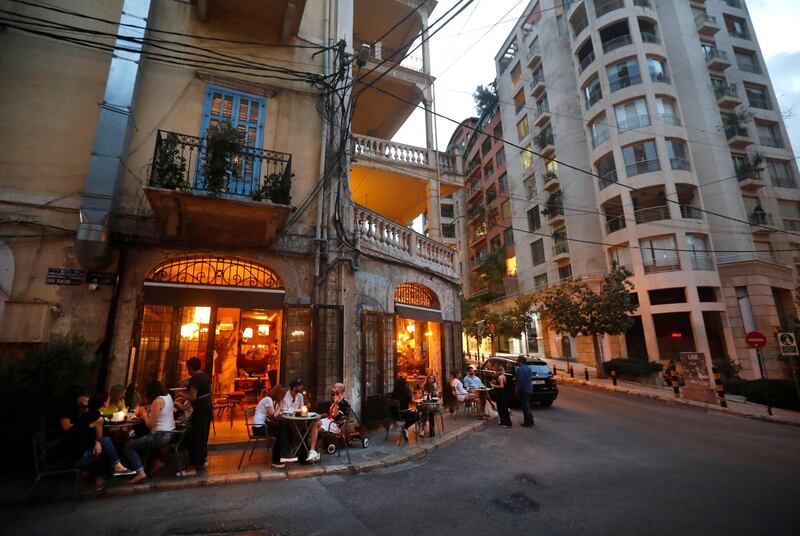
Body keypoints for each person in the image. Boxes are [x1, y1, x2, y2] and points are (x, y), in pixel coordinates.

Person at [72, 392, 135, 491]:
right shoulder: (99, 418)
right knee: (105, 443)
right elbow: (100, 437)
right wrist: (97, 441)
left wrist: (97, 441)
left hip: (73, 452)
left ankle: (102, 474)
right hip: (79, 457)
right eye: (107, 400)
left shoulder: (87, 414)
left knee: (104, 443)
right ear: (104, 402)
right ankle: (112, 469)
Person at [124, 380, 176, 484]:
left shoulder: (157, 401)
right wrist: (149, 410)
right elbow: (162, 412)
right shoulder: (168, 397)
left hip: (160, 436)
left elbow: (150, 425)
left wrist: (143, 414)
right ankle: (157, 461)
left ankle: (140, 472)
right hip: (171, 433)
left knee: (128, 446)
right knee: (141, 437)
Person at [175, 357, 213, 477]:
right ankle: (203, 459)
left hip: (200, 409)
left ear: (190, 367)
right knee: (203, 434)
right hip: (208, 406)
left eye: (187, 368)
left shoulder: (195, 379)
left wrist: (182, 395)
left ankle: (193, 466)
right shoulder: (206, 376)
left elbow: (193, 397)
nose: (187, 371)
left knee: (196, 435)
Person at [281, 378, 321, 463]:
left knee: (304, 428)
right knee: (297, 428)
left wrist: (302, 411)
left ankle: (303, 455)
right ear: (294, 387)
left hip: (297, 419)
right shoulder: (285, 396)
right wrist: (296, 410)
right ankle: (293, 452)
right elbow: (284, 410)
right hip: (287, 420)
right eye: (300, 385)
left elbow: (302, 408)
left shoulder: (300, 396)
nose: (302, 387)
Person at [252, 384, 290, 468]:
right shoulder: (268, 400)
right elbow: (274, 416)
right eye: (282, 395)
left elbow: (272, 415)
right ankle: (277, 459)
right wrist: (280, 406)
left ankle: (283, 454)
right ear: (278, 394)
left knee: (282, 427)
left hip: (261, 425)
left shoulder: (269, 399)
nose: (282, 397)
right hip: (259, 428)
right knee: (280, 432)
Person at [391, 376, 418, 440]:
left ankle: (405, 429)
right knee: (417, 415)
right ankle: (405, 427)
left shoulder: (394, 392)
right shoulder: (405, 392)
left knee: (411, 412)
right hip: (403, 413)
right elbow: (413, 401)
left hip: (394, 414)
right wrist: (411, 392)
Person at [515, 355, 535, 427]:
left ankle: (528, 422)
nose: (517, 361)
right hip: (529, 389)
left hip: (523, 390)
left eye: (517, 360)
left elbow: (519, 381)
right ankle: (531, 420)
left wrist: (516, 390)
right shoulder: (529, 368)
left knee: (525, 406)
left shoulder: (520, 369)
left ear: (520, 361)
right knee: (527, 405)